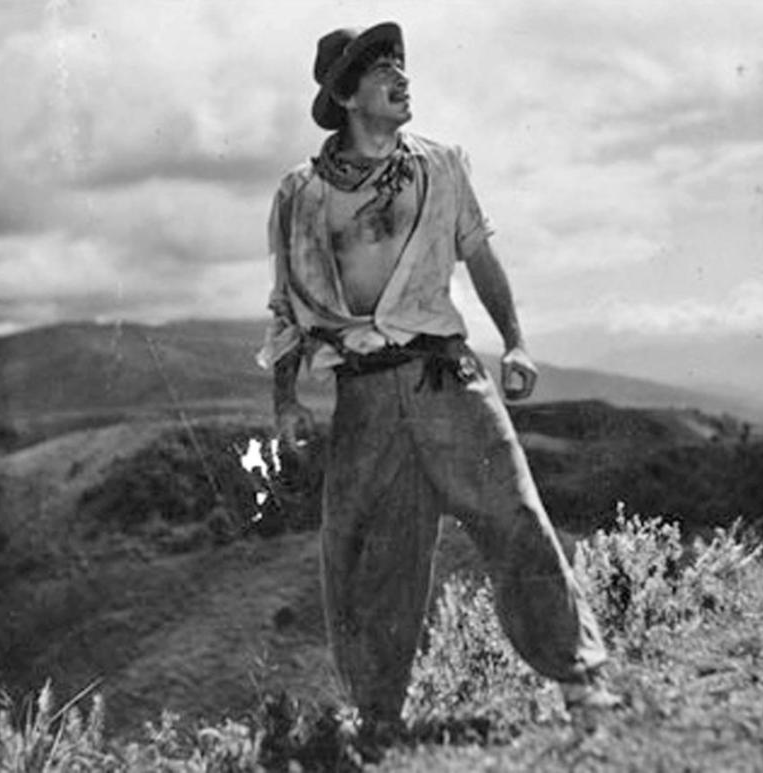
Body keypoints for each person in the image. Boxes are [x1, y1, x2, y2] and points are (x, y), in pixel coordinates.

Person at [258, 21, 619, 742]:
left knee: (515, 518)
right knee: (371, 557)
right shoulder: (302, 193)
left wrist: (516, 342)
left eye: (402, 63)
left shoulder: (441, 166)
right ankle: (379, 720)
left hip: (447, 378)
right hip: (364, 396)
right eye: (382, 68)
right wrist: (286, 399)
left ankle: (583, 682)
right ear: (347, 95)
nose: (402, 76)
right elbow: (286, 306)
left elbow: (479, 257)